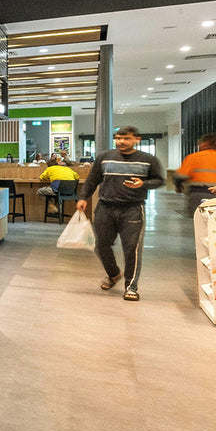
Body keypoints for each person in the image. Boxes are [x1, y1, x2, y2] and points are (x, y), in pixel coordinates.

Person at [76, 126, 165, 301]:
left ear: (136, 139)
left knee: (132, 249)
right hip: (105, 207)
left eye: (126, 138)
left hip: (132, 209)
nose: (121, 142)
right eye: (118, 138)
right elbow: (92, 180)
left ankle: (131, 287)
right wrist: (83, 197)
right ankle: (113, 274)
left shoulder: (148, 159)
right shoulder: (104, 157)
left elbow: (159, 180)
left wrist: (143, 184)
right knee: (101, 245)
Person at [175, 133, 216, 217]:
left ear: (205, 144)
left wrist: (178, 187)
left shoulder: (194, 157)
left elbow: (180, 176)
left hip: (198, 194)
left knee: (199, 220)